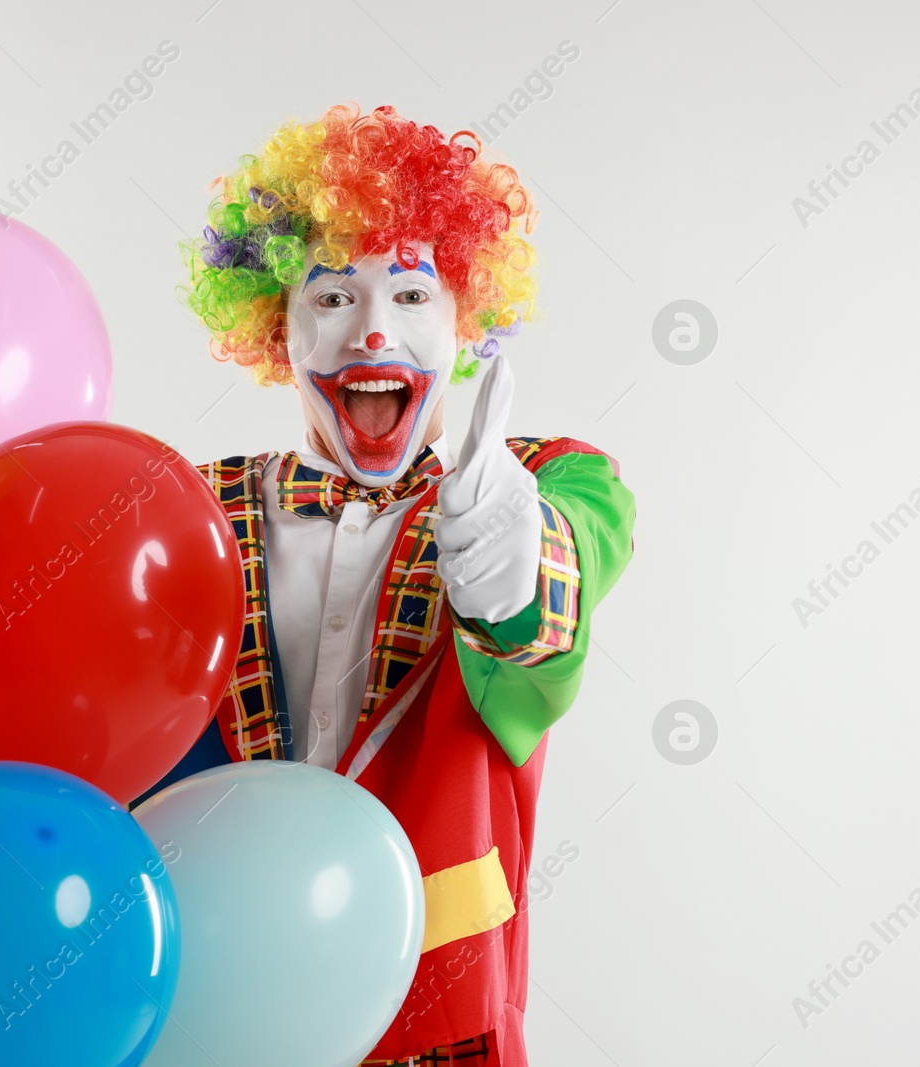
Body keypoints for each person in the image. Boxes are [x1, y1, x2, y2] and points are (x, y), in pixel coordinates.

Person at [163, 103, 634, 1067]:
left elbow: (556, 602)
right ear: (275, 326)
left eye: (414, 296)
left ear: (467, 320)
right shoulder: (184, 510)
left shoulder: (550, 482)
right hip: (214, 1004)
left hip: (435, 1013)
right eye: (332, 297)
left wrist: (514, 561)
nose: (374, 330)